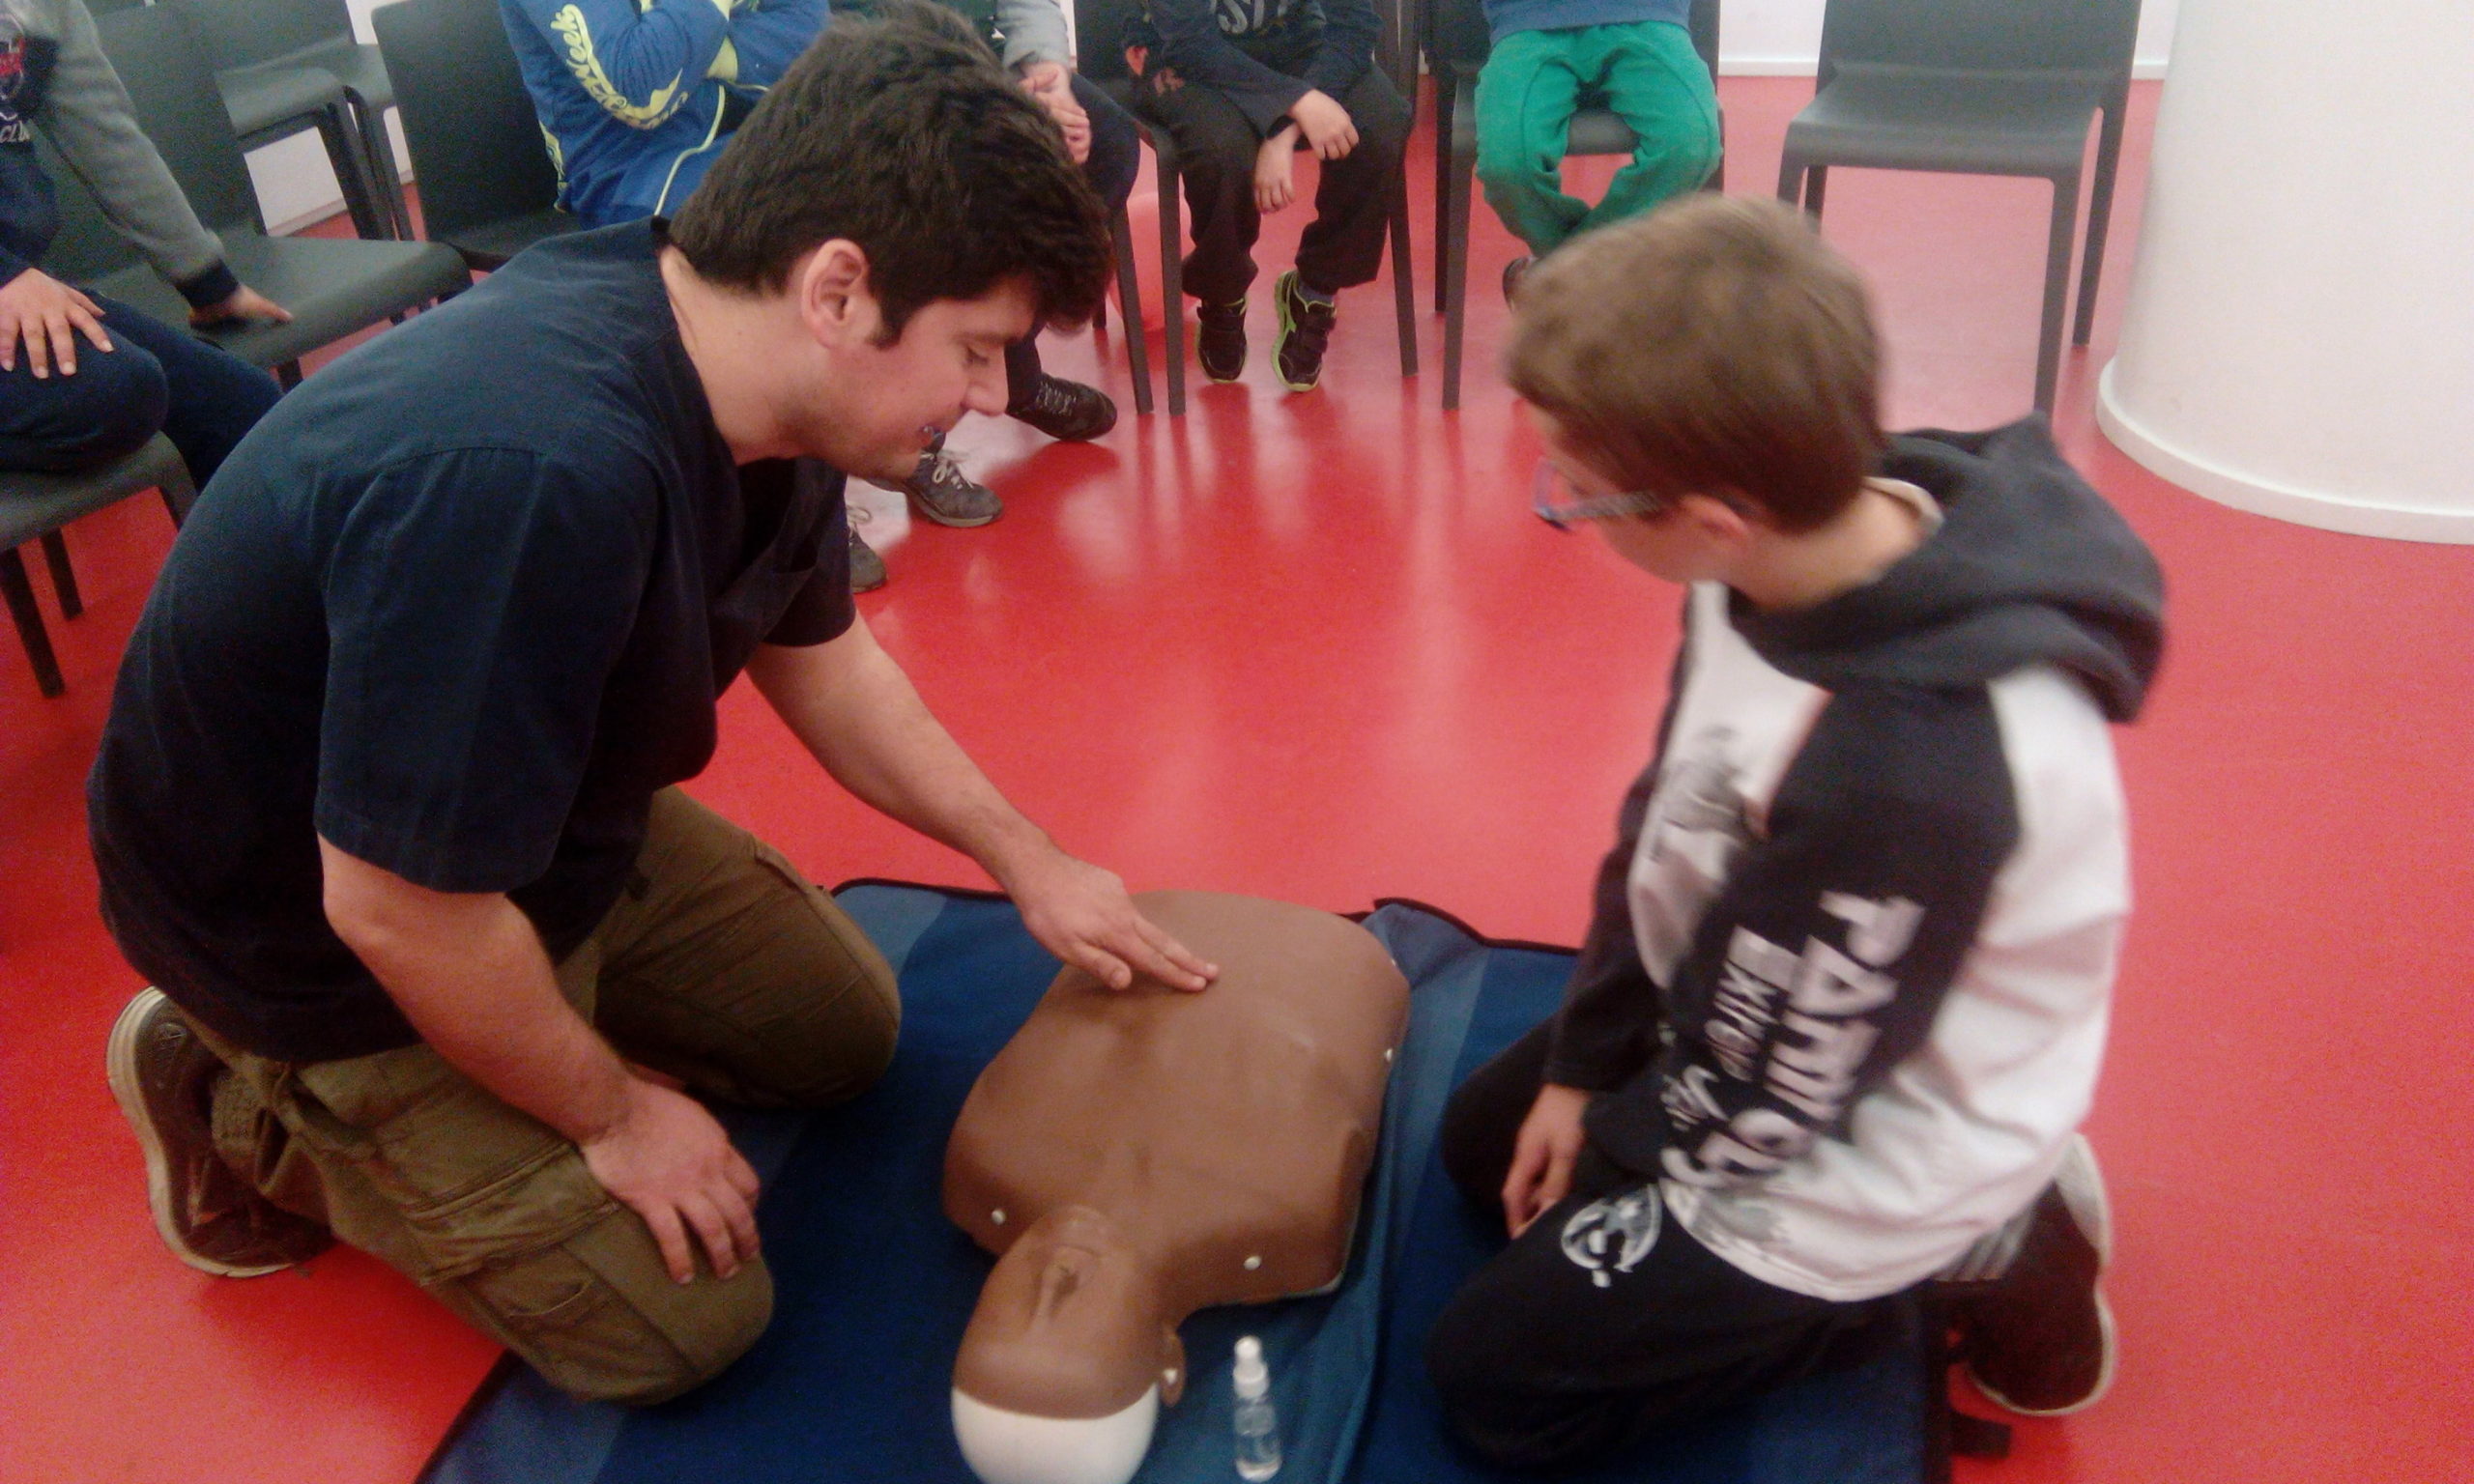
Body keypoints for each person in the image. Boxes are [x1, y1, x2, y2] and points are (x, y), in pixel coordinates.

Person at [93, 6, 1216, 1407]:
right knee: (681, 1327)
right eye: (977, 349)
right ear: (838, 289)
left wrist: (1026, 859)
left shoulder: (770, 373)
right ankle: (236, 1095)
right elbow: (398, 909)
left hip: (529, 822)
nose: (989, 397)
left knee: (844, 1041)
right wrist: (613, 1115)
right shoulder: (533, 469)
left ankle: (533, 1036)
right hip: (317, 928)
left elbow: (827, 660)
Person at [1424, 196, 2164, 1470]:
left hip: (1864, 1128)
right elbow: (1668, 819)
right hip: (1770, 989)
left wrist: (1620, 1157)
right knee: (1479, 1152)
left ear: (1712, 519)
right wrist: (1588, 1067)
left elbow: (1782, 1088)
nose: (1566, 511)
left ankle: (1973, 1246)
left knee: (1492, 1388)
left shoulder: (1911, 769)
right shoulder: (1776, 549)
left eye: (1581, 497)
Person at [0, 0, 286, 486]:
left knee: (241, 406)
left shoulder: (45, 11)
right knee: (115, 394)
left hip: (20, 284)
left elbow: (106, 141)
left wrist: (207, 284)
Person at [1126, 0, 1410, 391]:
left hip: (1291, 42)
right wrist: (1298, 102)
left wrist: (1283, 129)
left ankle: (1314, 292)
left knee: (1381, 124)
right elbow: (1190, 43)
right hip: (1177, 53)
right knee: (1222, 150)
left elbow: (1356, 26)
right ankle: (1223, 293)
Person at [1470, 0, 1719, 300]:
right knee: (1508, 163)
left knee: (1691, 146)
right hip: (1527, 19)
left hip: (1648, 14)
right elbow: (1506, 166)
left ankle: (1566, 278)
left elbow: (1691, 148)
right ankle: (1592, 279)